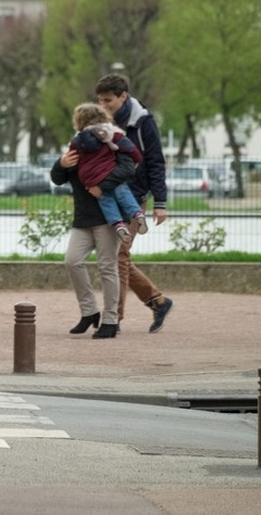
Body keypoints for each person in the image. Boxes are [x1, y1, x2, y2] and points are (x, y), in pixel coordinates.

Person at [95, 73, 175, 333]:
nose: (103, 105)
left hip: (133, 198)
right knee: (117, 255)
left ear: (123, 96)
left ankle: (113, 318)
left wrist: (160, 202)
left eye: (108, 100)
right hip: (108, 195)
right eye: (100, 100)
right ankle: (158, 301)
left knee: (118, 255)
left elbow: (156, 162)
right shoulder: (99, 121)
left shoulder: (143, 122)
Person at [51, 135, 138, 339]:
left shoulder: (113, 145)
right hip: (83, 217)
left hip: (110, 218)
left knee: (107, 266)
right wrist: (60, 164)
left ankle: (110, 320)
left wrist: (102, 186)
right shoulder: (79, 145)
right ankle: (89, 312)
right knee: (72, 261)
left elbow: (128, 169)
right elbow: (58, 179)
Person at [68, 103, 147, 242]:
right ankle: (137, 213)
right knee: (123, 193)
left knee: (106, 201)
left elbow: (72, 157)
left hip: (92, 180)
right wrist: (137, 159)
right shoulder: (112, 134)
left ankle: (118, 224)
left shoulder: (77, 140)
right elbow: (132, 150)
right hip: (110, 172)